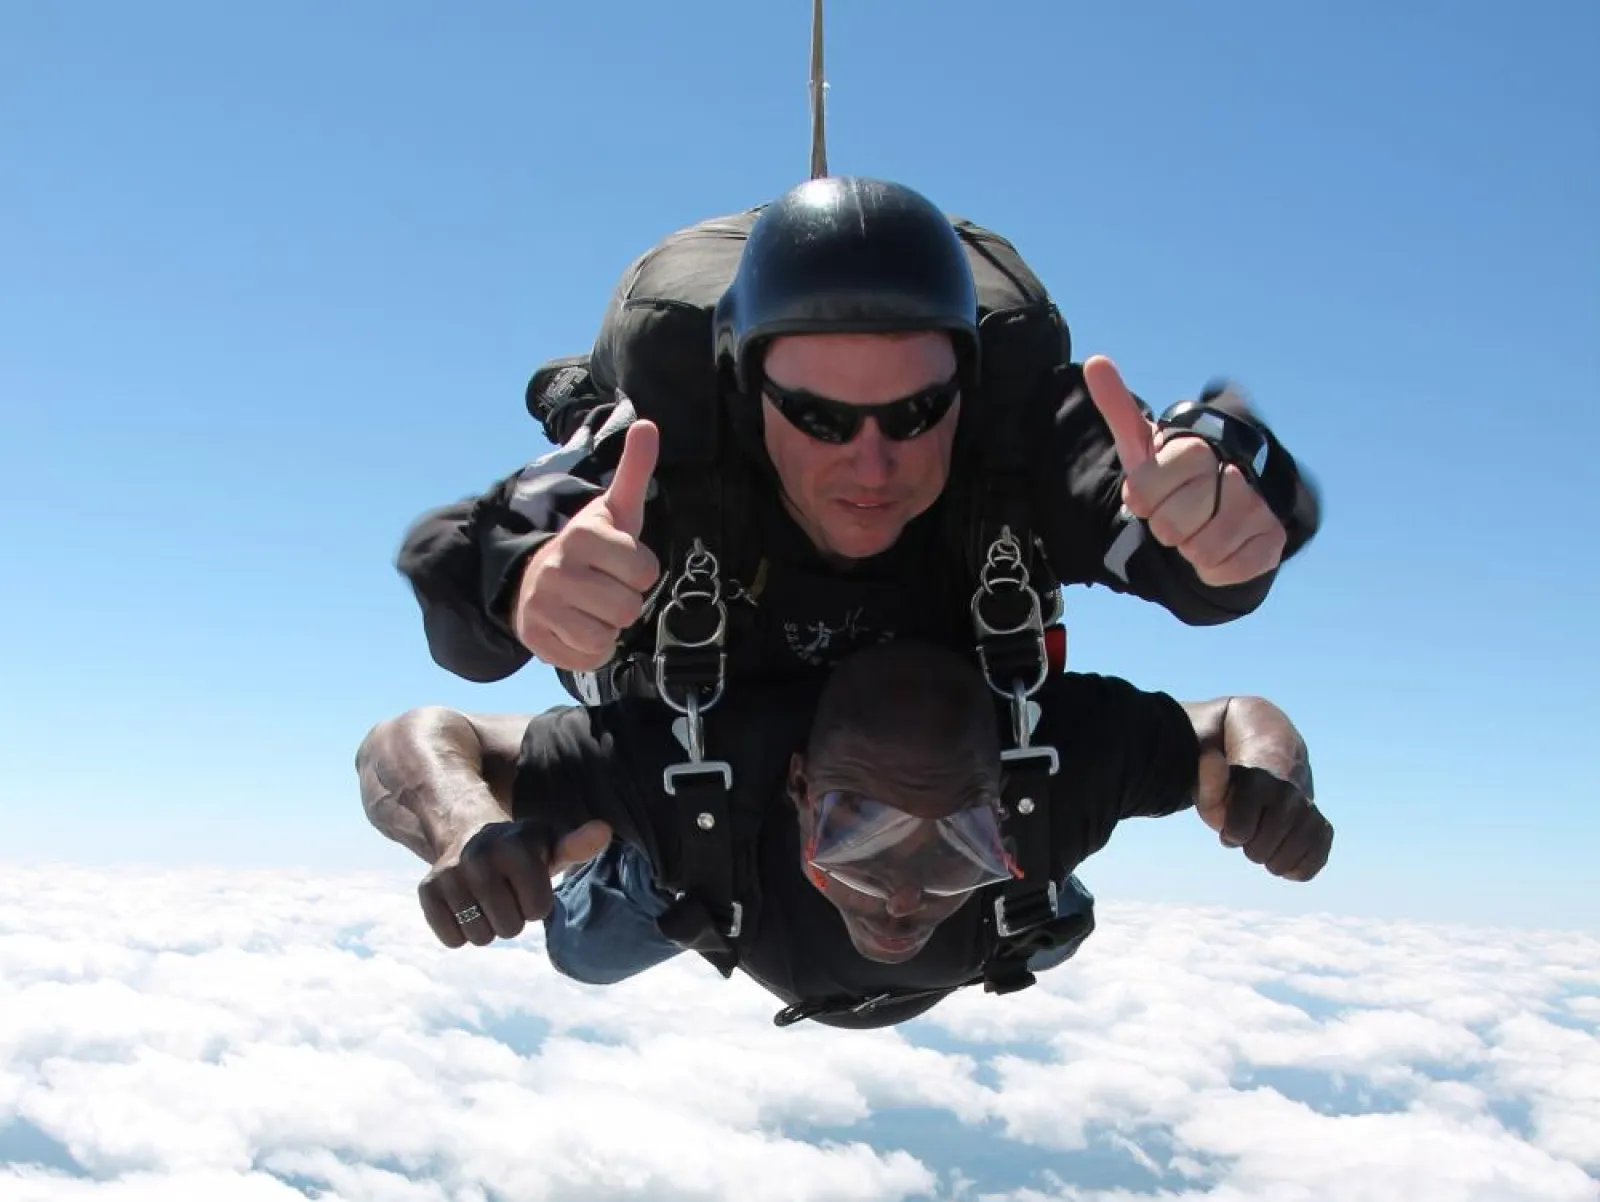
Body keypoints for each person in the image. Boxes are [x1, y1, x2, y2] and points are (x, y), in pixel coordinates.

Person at [396, 176, 1322, 712]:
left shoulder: (1018, 432)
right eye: (822, 418)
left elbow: (1175, 524)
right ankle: (573, 391)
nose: (872, 464)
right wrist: (520, 585)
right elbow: (458, 563)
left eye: (918, 411)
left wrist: (1228, 511)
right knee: (599, 938)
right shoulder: (662, 450)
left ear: (967, 384)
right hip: (711, 729)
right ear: (746, 388)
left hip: (911, 765)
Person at [357, 640, 1332, 1030]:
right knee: (583, 949)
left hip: (999, 895)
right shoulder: (693, 768)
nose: (901, 894)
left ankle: (1017, 882)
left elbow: (1235, 713)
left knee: (1052, 911)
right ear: (797, 785)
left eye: (955, 844)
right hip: (708, 867)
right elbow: (420, 737)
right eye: (859, 835)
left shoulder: (1061, 767)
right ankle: (637, 855)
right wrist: (463, 825)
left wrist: (1270, 784)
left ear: (1001, 800)